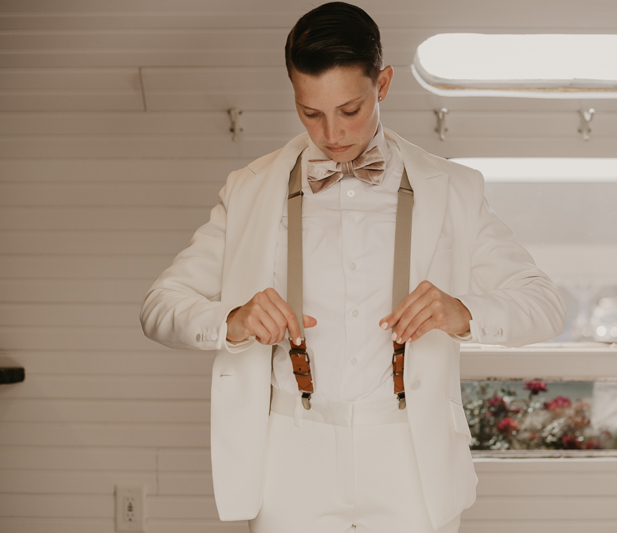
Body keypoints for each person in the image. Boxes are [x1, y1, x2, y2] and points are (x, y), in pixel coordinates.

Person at [139, 3, 566, 532]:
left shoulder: (454, 189)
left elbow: (545, 305)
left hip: (411, 454)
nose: (333, 133)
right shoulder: (249, 189)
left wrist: (462, 312)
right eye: (310, 113)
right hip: (290, 456)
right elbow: (159, 307)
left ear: (382, 84)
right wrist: (234, 321)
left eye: (349, 109)